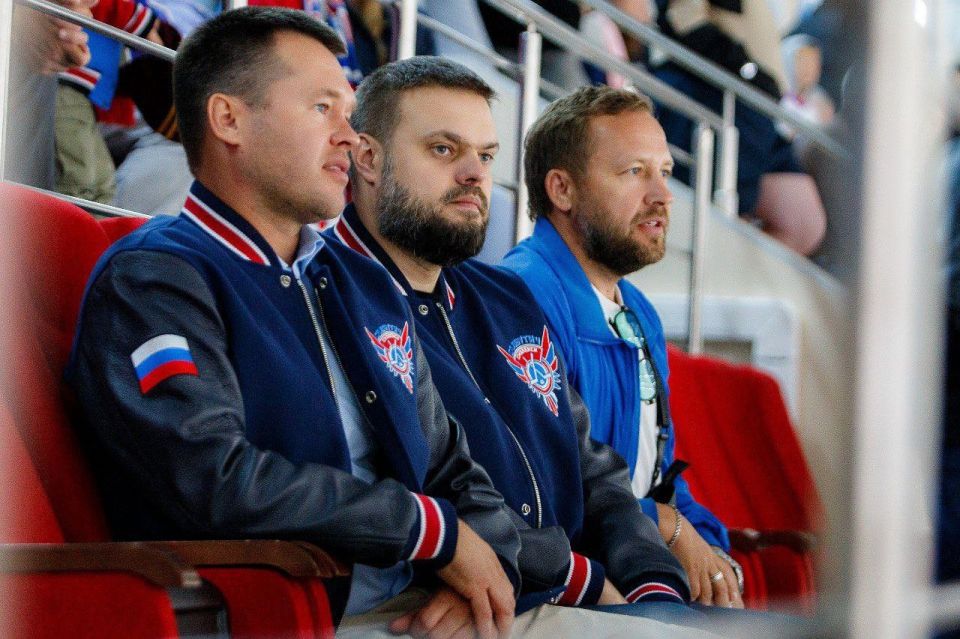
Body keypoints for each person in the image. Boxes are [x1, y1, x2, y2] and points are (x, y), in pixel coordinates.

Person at [65, 9, 519, 637]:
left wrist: (488, 574)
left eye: (351, 113)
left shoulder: (362, 280)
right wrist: (428, 532)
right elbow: (214, 479)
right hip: (286, 616)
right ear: (228, 119)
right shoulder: (155, 279)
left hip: (424, 608)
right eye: (323, 108)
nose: (351, 137)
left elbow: (453, 466)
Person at [332, 54, 700, 618]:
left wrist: (652, 585)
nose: (474, 174)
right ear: (368, 159)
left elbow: (595, 473)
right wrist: (572, 579)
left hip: (566, 594)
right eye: (444, 150)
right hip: (460, 601)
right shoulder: (332, 289)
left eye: (485, 156)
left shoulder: (505, 297)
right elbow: (416, 490)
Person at [502, 85, 742, 607]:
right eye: (634, 172)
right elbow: (546, 492)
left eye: (665, 172)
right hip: (571, 587)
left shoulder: (638, 311)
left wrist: (716, 556)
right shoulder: (522, 296)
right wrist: (666, 526)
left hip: (637, 559)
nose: (662, 195)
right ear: (562, 190)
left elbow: (660, 477)